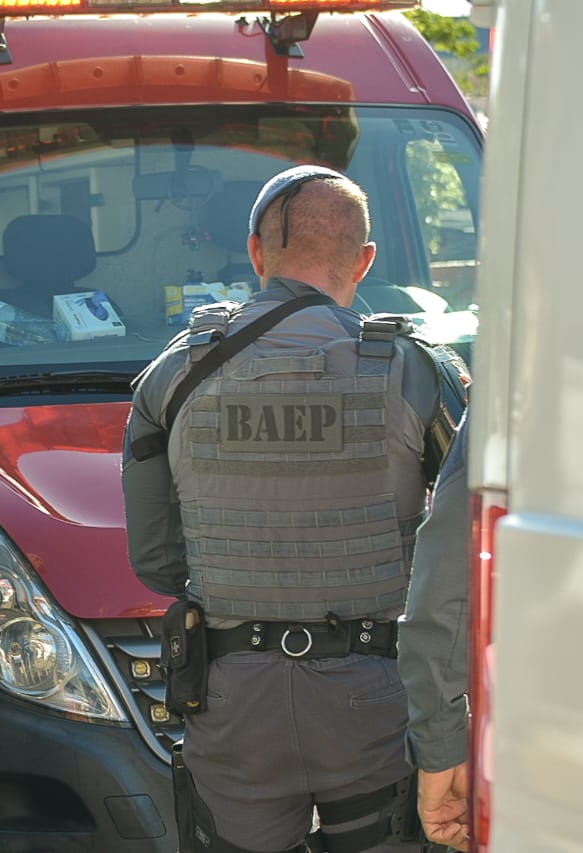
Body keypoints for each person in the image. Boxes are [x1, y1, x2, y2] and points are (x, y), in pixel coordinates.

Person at [122, 165, 467, 853]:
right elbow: (462, 553)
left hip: (232, 705)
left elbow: (157, 563)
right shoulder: (415, 369)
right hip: (372, 701)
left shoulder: (174, 372)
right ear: (364, 259)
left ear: (255, 252)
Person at [397, 413, 472, 852]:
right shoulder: (418, 368)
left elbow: (447, 586)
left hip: (582, 737)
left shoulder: (530, 375)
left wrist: (441, 749)